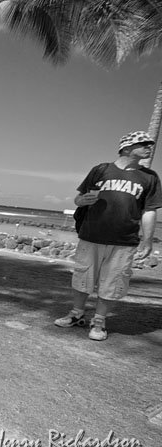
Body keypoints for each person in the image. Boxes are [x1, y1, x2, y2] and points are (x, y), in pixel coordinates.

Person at [55, 131, 162, 341]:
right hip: (91, 235)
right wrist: (82, 201)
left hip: (124, 240)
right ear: (127, 148)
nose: (149, 147)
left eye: (150, 144)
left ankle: (99, 321)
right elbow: (78, 199)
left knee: (113, 282)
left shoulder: (150, 177)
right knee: (83, 277)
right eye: (144, 144)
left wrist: (148, 240)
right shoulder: (101, 170)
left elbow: (149, 210)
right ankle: (76, 314)